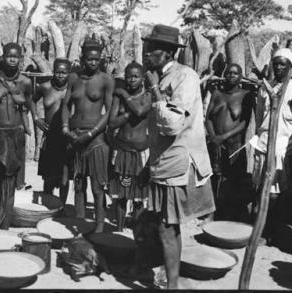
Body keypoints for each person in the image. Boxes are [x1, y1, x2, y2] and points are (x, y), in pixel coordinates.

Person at [125, 24, 216, 289]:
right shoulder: (161, 76)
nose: (147, 54)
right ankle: (154, 270)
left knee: (167, 228)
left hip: (177, 164)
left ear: (165, 52)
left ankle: (172, 285)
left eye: (151, 50)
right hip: (162, 162)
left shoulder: (184, 77)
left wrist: (154, 90)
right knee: (149, 221)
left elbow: (173, 125)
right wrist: (149, 165)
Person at [251, 48, 292, 245]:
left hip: (286, 149)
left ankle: (274, 230)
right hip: (263, 146)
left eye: (283, 64)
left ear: (290, 66)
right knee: (262, 189)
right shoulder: (265, 88)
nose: (278, 67)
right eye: (276, 63)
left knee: (280, 192)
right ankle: (262, 228)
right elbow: (260, 116)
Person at [0, 42, 37, 229]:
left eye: (16, 56)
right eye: (9, 56)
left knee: (10, 188)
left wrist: (29, 127)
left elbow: (27, 107)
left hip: (16, 137)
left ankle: (5, 228)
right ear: (2, 57)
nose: (12, 59)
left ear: (21, 59)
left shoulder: (26, 82)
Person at [61, 39, 114, 233]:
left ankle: (99, 227)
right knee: (79, 184)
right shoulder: (73, 78)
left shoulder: (106, 80)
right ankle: (80, 224)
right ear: (83, 58)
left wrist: (91, 133)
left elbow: (109, 112)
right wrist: (66, 127)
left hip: (96, 139)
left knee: (98, 186)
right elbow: (66, 105)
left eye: (97, 59)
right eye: (90, 59)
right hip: (75, 136)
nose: (93, 62)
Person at [205, 63, 255, 221]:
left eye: (235, 73)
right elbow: (208, 118)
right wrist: (214, 137)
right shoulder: (217, 94)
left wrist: (224, 137)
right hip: (216, 143)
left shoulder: (246, 95)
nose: (231, 76)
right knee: (215, 177)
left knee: (235, 179)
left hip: (235, 145)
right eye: (229, 73)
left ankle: (233, 215)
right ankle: (212, 212)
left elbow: (244, 123)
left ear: (241, 77)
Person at [109, 62, 151, 231]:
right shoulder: (118, 97)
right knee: (120, 195)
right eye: (128, 76)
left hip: (141, 153)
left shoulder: (148, 96)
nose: (131, 80)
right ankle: (119, 229)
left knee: (139, 197)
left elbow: (141, 112)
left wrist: (125, 96)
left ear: (142, 79)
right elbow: (112, 122)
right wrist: (128, 112)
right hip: (122, 151)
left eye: (135, 76)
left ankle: (137, 230)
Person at [33, 58, 71, 204]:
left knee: (64, 176)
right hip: (49, 136)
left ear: (68, 73)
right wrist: (36, 118)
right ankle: (48, 205)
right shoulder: (45, 87)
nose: (60, 75)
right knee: (48, 176)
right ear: (53, 71)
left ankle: (61, 206)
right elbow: (31, 100)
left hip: (66, 137)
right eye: (57, 72)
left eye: (64, 72)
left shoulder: (72, 90)